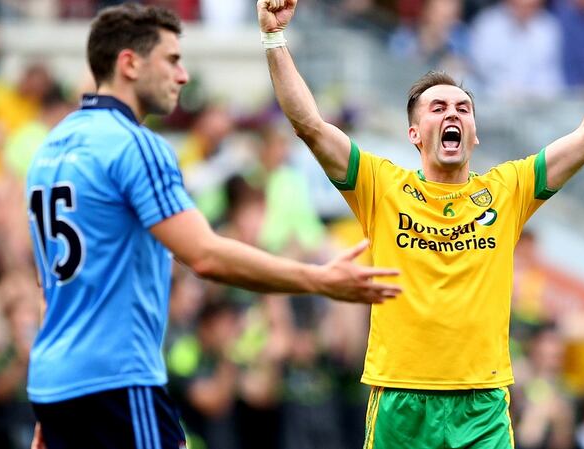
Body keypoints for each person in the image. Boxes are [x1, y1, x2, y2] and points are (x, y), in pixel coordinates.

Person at [258, 0, 584, 447]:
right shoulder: (379, 186)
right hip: (401, 397)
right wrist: (275, 39)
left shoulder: (509, 189)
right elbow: (309, 125)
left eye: (463, 108)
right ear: (414, 134)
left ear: (474, 133)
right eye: (437, 108)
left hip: (481, 404)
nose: (452, 113)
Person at [25, 4, 402, 449]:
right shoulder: (137, 147)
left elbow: (55, 290)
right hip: (117, 381)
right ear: (129, 63)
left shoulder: (50, 150)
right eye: (171, 60)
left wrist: (48, 418)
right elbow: (203, 255)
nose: (183, 75)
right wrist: (318, 279)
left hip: (54, 383)